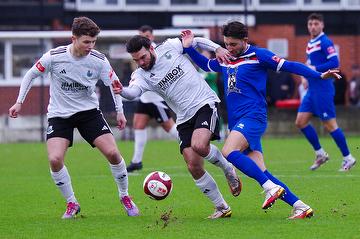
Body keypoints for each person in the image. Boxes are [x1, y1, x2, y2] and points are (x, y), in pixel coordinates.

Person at [181, 22, 341, 219]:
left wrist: (318, 75)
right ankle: (300, 206)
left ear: (245, 41)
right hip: (237, 121)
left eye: (233, 44)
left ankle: (269, 189)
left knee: (229, 152)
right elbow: (204, 64)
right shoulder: (225, 58)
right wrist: (188, 47)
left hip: (253, 116)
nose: (229, 48)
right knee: (262, 172)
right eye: (226, 44)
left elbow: (290, 65)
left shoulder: (259, 55)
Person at [8, 16, 139, 219]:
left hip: (89, 114)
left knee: (113, 153)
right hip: (60, 115)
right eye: (86, 41)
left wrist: (120, 111)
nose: (90, 46)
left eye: (93, 42)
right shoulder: (54, 56)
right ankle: (72, 203)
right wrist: (19, 101)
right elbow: (30, 75)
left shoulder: (99, 60)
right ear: (73, 38)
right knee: (54, 159)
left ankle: (125, 196)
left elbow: (115, 86)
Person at [113, 35, 242, 219]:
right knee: (193, 164)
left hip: (204, 103)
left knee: (199, 145)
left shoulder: (169, 47)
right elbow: (133, 92)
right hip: (183, 117)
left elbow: (195, 40)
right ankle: (221, 207)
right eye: (136, 60)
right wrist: (121, 90)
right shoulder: (141, 75)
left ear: (150, 48)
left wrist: (217, 48)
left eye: (143, 57)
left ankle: (227, 168)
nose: (141, 62)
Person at [295, 13, 356, 171]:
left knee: (330, 125)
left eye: (316, 23)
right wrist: (305, 76)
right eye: (310, 24)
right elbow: (310, 62)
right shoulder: (311, 42)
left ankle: (348, 158)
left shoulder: (325, 41)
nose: (313, 26)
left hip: (322, 89)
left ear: (322, 25)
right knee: (300, 122)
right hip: (312, 89)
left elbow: (335, 63)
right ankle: (320, 154)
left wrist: (314, 69)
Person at [126, 25, 178, 173]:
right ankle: (136, 161)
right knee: (138, 124)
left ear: (152, 37)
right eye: (142, 36)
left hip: (156, 99)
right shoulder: (138, 53)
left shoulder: (155, 51)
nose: (145, 38)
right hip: (144, 98)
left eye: (147, 36)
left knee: (170, 129)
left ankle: (192, 143)